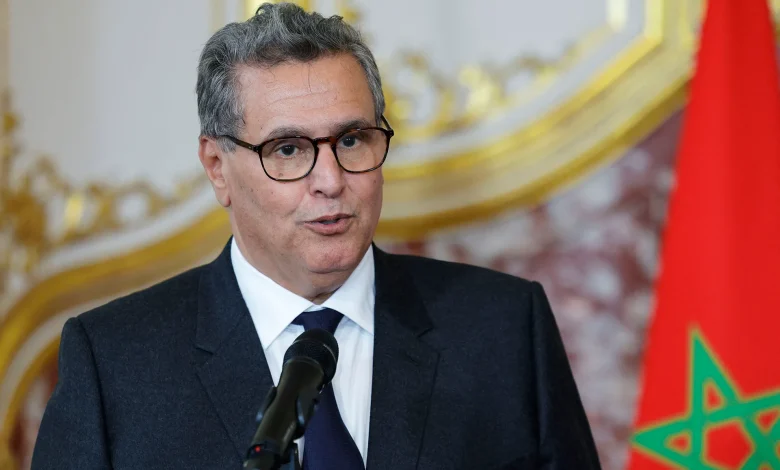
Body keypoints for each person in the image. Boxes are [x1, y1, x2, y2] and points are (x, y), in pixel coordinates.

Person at [31, 3, 601, 469]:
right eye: (288, 149)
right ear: (217, 167)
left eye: (351, 140)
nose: (330, 181)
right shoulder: (114, 365)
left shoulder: (504, 329)